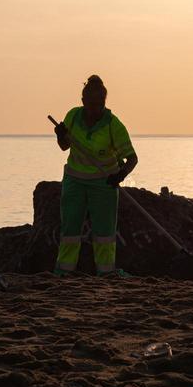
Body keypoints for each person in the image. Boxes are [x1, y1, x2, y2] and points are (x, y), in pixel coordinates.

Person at [53, 75, 139, 275]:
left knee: (104, 234)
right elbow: (64, 146)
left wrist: (120, 176)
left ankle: (106, 272)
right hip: (74, 180)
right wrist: (60, 135)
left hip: (104, 183)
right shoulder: (73, 116)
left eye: (100, 104)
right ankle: (64, 271)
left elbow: (132, 159)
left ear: (104, 103)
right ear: (83, 102)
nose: (95, 109)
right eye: (91, 104)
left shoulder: (112, 125)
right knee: (70, 230)